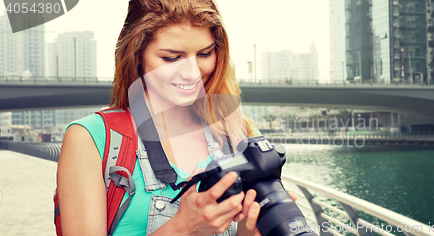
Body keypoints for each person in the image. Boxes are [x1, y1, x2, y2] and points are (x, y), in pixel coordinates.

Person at [56, 0, 295, 235]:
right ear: (137, 55)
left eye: (204, 53)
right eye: (172, 58)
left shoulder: (234, 131)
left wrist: (251, 228)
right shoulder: (90, 138)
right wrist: (183, 228)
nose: (192, 73)